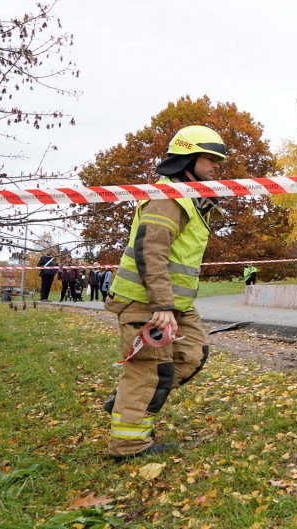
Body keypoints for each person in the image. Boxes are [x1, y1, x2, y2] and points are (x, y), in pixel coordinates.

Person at [103, 125, 227, 460]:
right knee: (149, 371)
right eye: (210, 157)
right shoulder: (169, 198)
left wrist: (173, 306)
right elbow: (151, 252)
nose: (217, 165)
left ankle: (126, 402)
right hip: (146, 302)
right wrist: (162, 305)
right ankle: (128, 446)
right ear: (187, 157)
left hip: (175, 305)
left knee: (192, 356)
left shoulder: (189, 199)